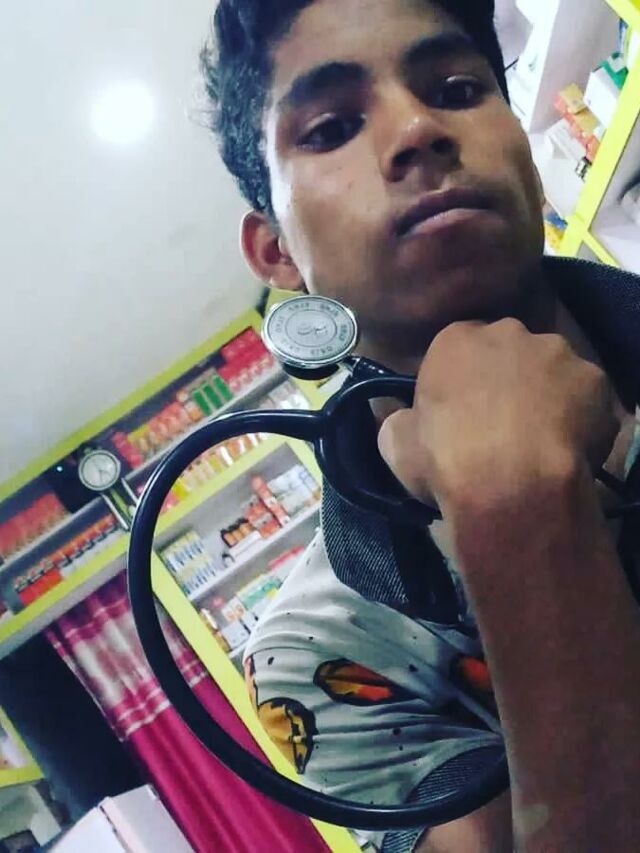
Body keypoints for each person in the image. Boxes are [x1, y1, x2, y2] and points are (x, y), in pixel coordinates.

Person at [201, 1, 640, 849]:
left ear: (522, 146)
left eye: (458, 89)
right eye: (331, 128)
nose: (417, 129)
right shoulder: (319, 652)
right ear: (276, 251)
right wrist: (518, 517)